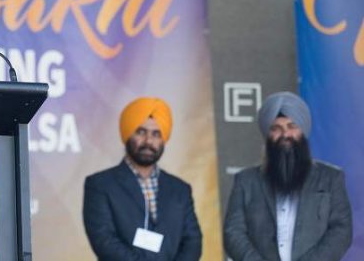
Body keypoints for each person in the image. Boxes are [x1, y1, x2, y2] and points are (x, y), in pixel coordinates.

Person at [223, 91, 352, 261]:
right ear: (267, 134)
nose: (285, 135)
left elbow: (341, 230)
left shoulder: (330, 178)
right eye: (276, 128)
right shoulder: (246, 181)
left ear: (303, 130)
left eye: (292, 126)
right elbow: (233, 232)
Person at [83, 97, 202, 260]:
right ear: (127, 134)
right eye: (140, 132)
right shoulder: (100, 185)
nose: (148, 141)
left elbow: (192, 241)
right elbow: (104, 241)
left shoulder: (180, 189)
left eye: (156, 134)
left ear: (163, 140)